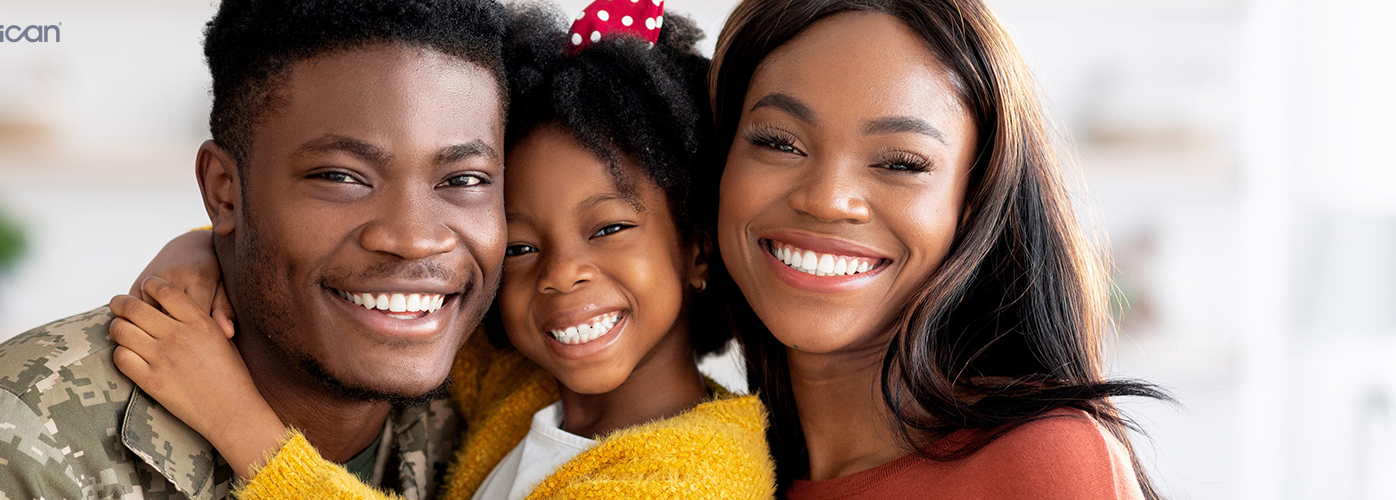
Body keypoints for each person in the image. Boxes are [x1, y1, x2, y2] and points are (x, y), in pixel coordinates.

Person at [0, 1, 509, 499]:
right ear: (224, 191)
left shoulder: (502, 406)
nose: (416, 237)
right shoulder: (10, 450)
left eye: (465, 180)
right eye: (340, 177)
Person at [113, 4, 776, 499]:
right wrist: (204, 250)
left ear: (696, 248)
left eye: (608, 230)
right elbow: (375, 287)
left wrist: (236, 420)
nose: (562, 275)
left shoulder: (694, 474)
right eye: (519, 245)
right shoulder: (518, 386)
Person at [706, 0, 1170, 498]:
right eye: (780, 142)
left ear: (974, 201)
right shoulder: (691, 467)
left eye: (902, 164)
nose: (826, 199)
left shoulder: (1042, 464)